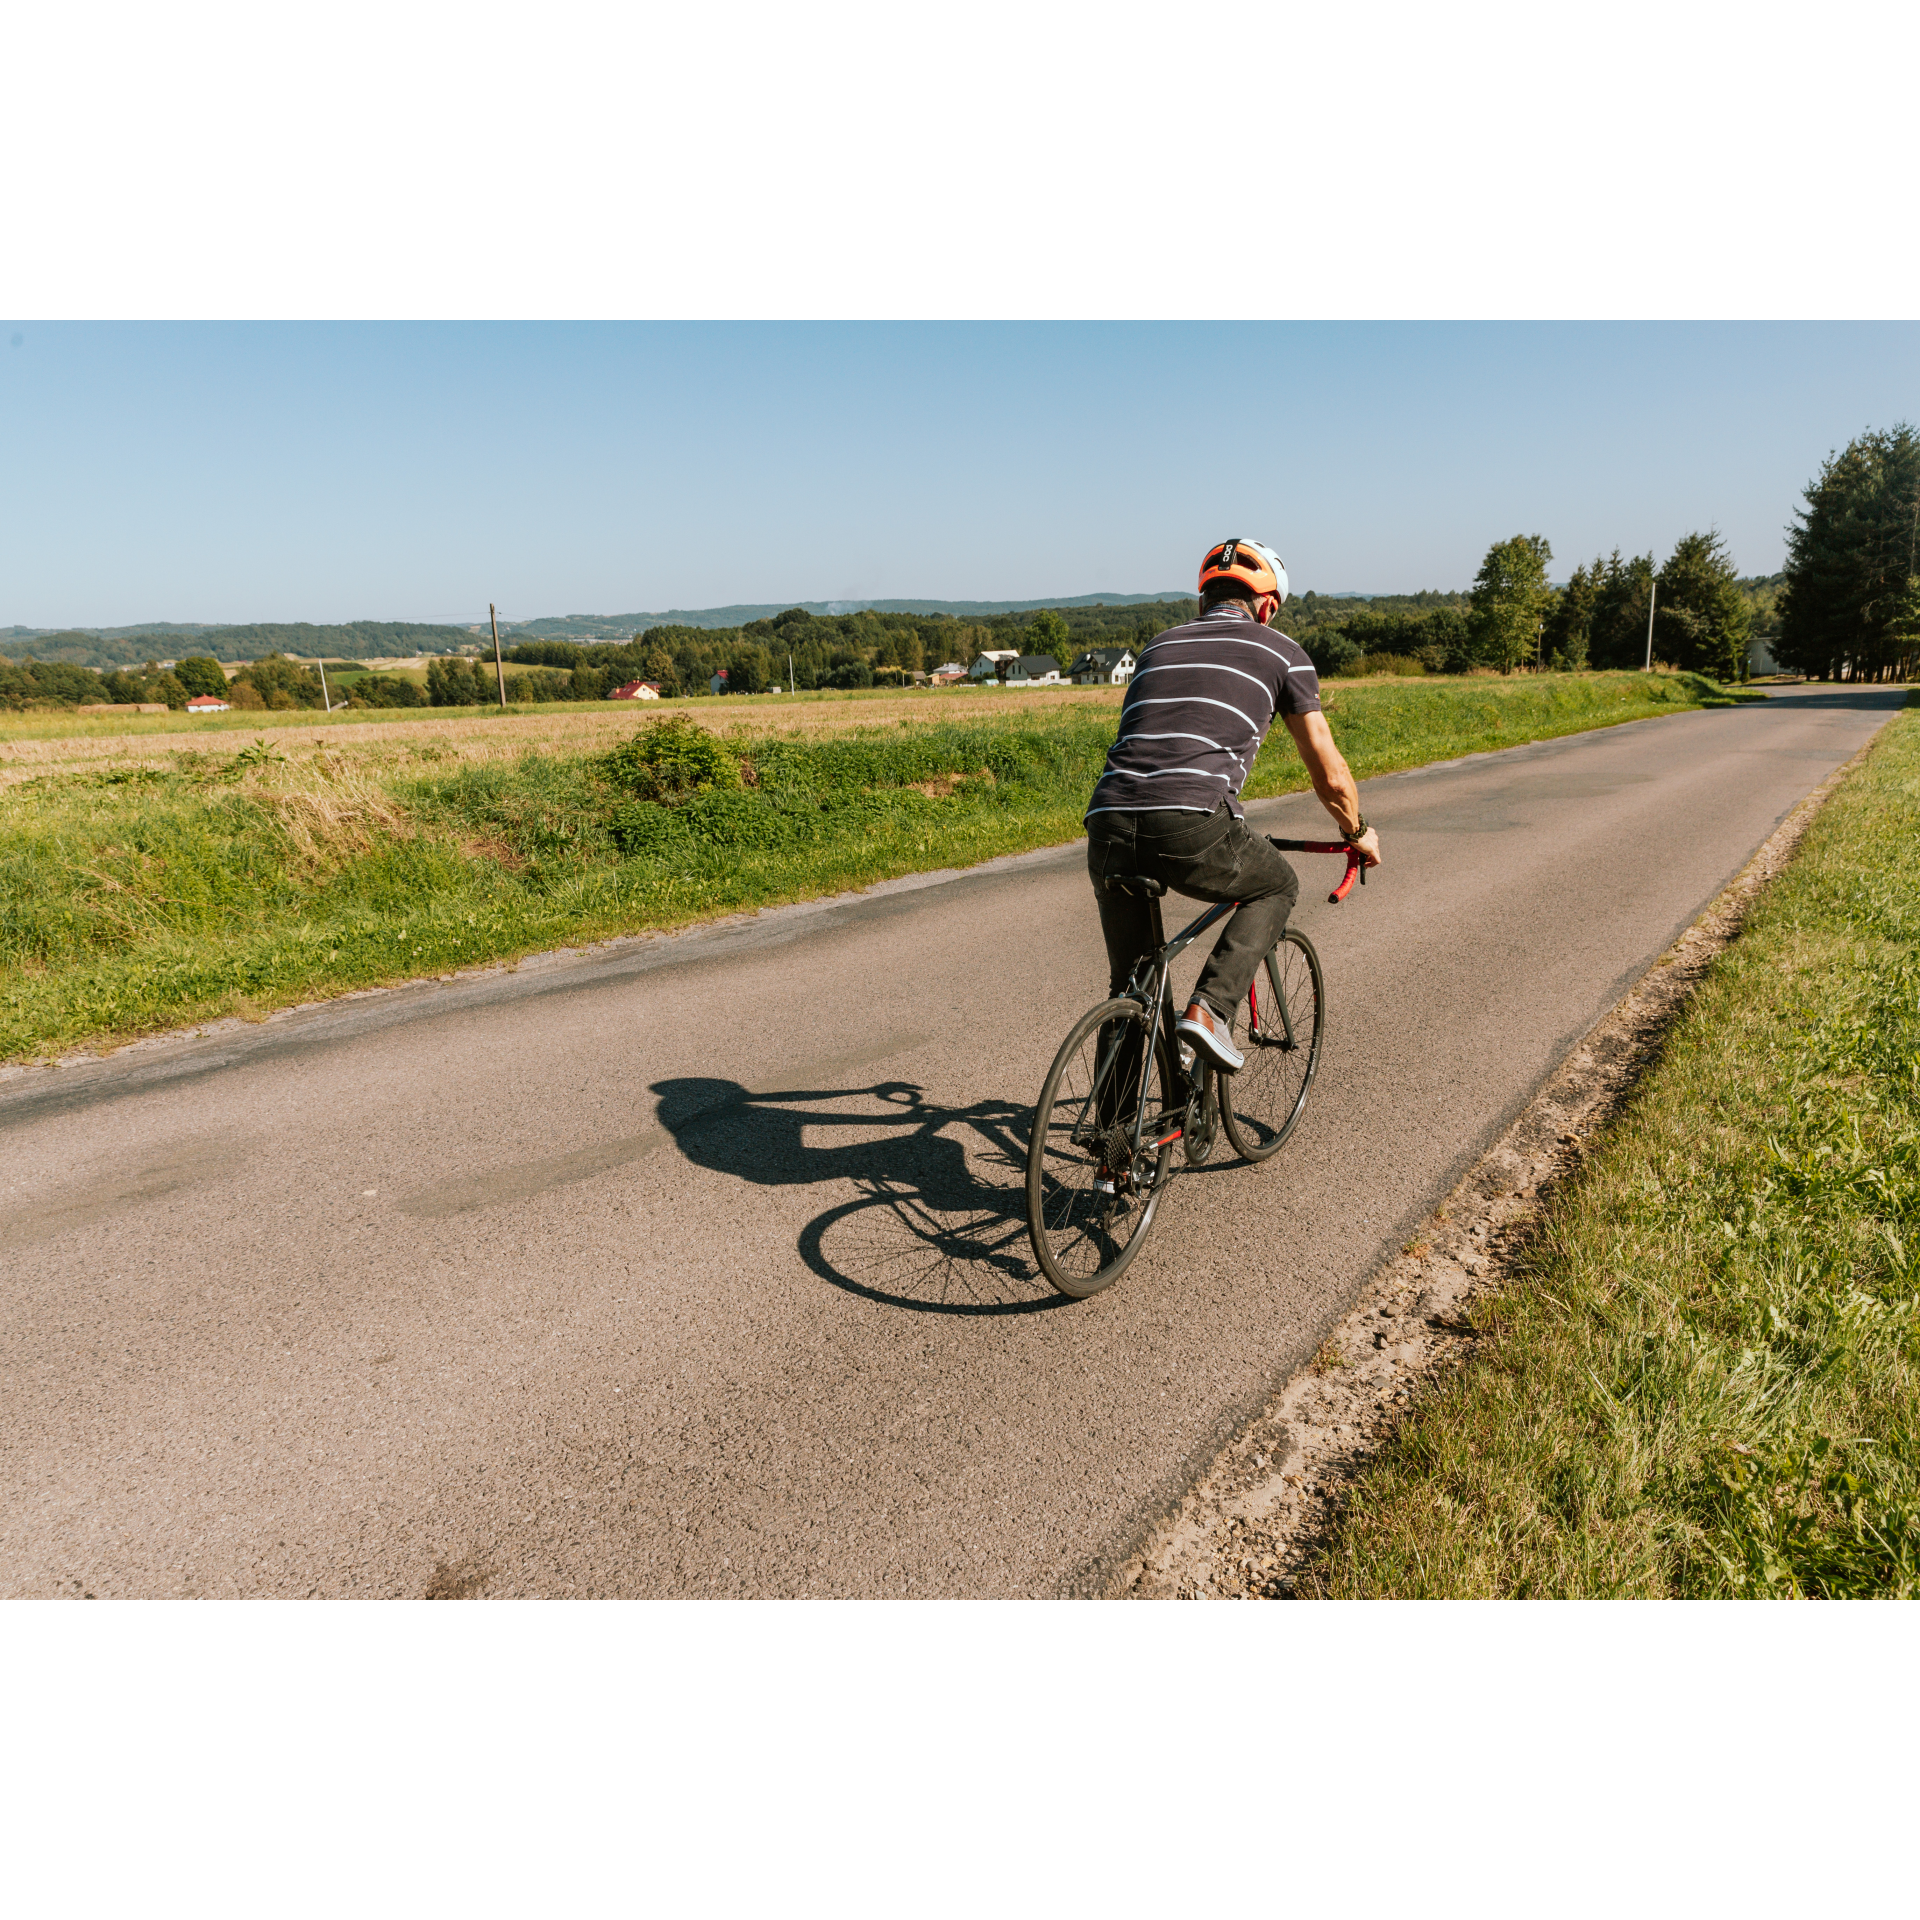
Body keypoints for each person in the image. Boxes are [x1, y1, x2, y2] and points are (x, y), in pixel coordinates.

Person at [1084, 537, 1382, 1073]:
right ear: (1267, 607)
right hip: (1191, 820)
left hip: (1106, 818)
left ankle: (1115, 1149)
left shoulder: (1156, 646)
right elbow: (1330, 775)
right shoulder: (1283, 652)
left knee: (1131, 982)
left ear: (1204, 601)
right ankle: (1211, 1010)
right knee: (1277, 884)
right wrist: (1358, 830)